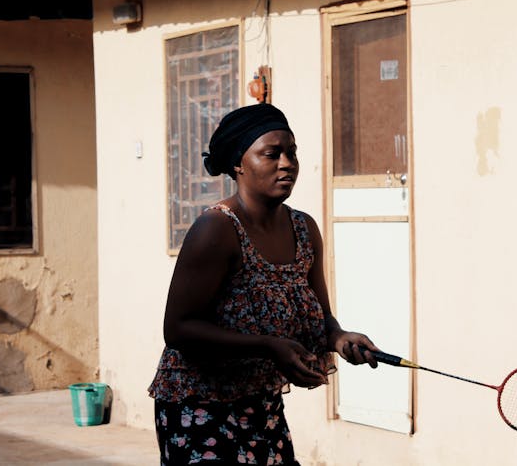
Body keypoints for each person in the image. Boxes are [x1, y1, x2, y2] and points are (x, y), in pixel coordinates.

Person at [149, 103, 379, 465]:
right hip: (199, 404)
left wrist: (338, 338)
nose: (287, 163)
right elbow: (178, 329)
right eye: (272, 154)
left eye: (292, 153)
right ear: (239, 164)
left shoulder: (304, 230)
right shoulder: (217, 229)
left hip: (261, 403)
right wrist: (268, 346)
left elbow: (321, 318)